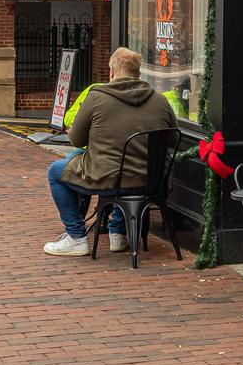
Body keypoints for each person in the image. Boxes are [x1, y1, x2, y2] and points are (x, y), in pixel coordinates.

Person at [43, 47, 178, 257]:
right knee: (127, 167)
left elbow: (76, 140)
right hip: (150, 182)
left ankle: (76, 237)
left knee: (55, 172)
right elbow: (173, 139)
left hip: (105, 179)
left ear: (112, 72)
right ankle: (117, 232)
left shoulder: (97, 98)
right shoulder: (160, 100)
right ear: (138, 73)